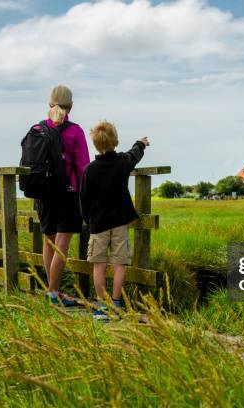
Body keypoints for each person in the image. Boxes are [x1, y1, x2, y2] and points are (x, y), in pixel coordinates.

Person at [79, 120, 149, 320]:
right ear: (116, 142)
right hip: (120, 222)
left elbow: (83, 199)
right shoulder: (122, 162)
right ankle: (116, 303)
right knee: (120, 264)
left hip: (98, 224)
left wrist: (89, 220)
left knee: (98, 265)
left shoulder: (90, 170)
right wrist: (141, 143)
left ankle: (102, 306)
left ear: (95, 144)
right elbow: (134, 154)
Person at [36, 85, 90, 306]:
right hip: (68, 194)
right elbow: (83, 167)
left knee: (49, 241)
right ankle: (52, 292)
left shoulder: (37, 128)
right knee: (62, 244)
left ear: (49, 104)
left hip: (43, 195)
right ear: (71, 106)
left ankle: (52, 291)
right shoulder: (74, 131)